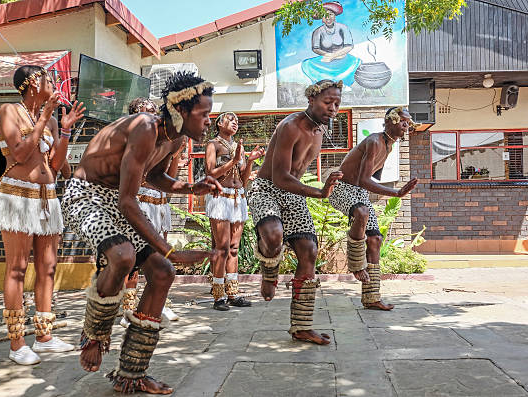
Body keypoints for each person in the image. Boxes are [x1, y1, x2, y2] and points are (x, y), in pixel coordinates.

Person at [61, 71, 221, 394]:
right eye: (204, 114)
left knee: (162, 272)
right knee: (123, 257)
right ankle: (93, 334)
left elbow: (156, 176)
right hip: (86, 194)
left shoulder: (175, 137)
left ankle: (132, 372)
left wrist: (191, 187)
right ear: (182, 111)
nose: (208, 122)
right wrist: (169, 248)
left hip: (118, 199)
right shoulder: (145, 127)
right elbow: (127, 200)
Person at [0, 65, 84, 365]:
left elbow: (57, 166)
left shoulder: (51, 120)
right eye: (49, 78)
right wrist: (44, 119)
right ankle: (17, 343)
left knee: (47, 267)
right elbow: (18, 153)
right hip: (16, 195)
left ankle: (44, 336)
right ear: (32, 83)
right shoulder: (8, 111)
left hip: (47, 198)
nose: (54, 83)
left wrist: (64, 129)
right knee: (17, 268)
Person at [248, 80, 343, 345]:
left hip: (293, 193)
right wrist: (319, 193)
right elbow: (279, 178)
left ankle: (302, 326)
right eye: (328, 102)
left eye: (337, 103)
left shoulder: (320, 131)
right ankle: (269, 273)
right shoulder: (291, 126)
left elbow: (296, 176)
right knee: (274, 233)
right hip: (267, 188)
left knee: (309, 251)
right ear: (311, 100)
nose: (333, 108)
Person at [329, 107, 419, 310]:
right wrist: (396, 193)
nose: (407, 126)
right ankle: (356, 264)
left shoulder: (389, 145)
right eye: (404, 122)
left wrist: (388, 192)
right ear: (391, 121)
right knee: (361, 212)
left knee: (375, 239)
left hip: (359, 192)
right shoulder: (375, 141)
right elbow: (363, 179)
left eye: (409, 123)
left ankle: (372, 297)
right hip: (341, 188)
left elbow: (368, 182)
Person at [120, 97, 180, 326]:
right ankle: (129, 307)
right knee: (135, 256)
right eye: (147, 110)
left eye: (154, 111)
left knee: (160, 254)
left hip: (159, 202)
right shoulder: (130, 138)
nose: (153, 114)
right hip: (139, 201)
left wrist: (173, 155)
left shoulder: (162, 142)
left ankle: (157, 302)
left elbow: (169, 177)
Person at [205, 112, 264, 311]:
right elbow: (210, 173)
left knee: (233, 249)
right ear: (219, 123)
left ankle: (233, 293)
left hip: (238, 197)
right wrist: (234, 160)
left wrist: (251, 160)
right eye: (230, 120)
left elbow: (244, 179)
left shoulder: (238, 147)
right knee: (221, 248)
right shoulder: (213, 145)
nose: (235, 123)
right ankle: (218, 295)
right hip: (220, 198)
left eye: (237, 121)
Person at [301, 1, 360, 86]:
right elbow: (315, 48)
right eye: (324, 15)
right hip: (325, 59)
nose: (328, 17)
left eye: (331, 14)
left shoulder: (343, 28)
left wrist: (334, 55)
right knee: (307, 64)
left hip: (342, 59)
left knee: (356, 63)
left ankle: (343, 85)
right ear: (322, 18)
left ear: (335, 16)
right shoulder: (317, 32)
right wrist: (327, 54)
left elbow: (349, 46)